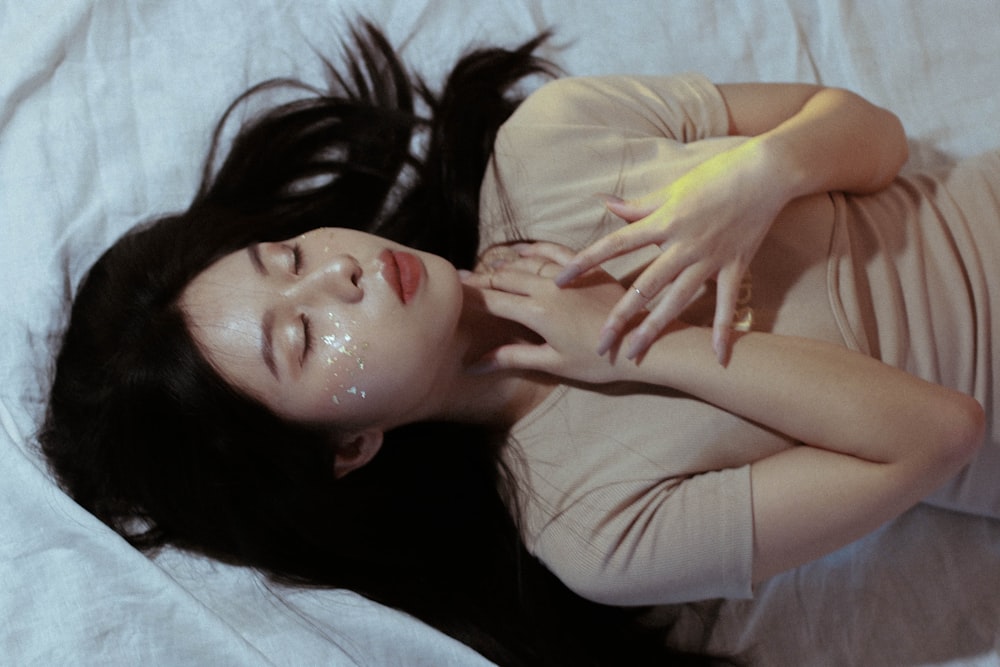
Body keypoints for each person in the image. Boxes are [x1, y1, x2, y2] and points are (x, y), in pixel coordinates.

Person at [39, 20, 994, 666]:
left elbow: (877, 136)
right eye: (302, 336)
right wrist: (631, 351)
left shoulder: (547, 145)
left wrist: (761, 177)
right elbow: (940, 432)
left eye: (289, 257)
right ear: (348, 447)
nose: (342, 277)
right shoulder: (591, 529)